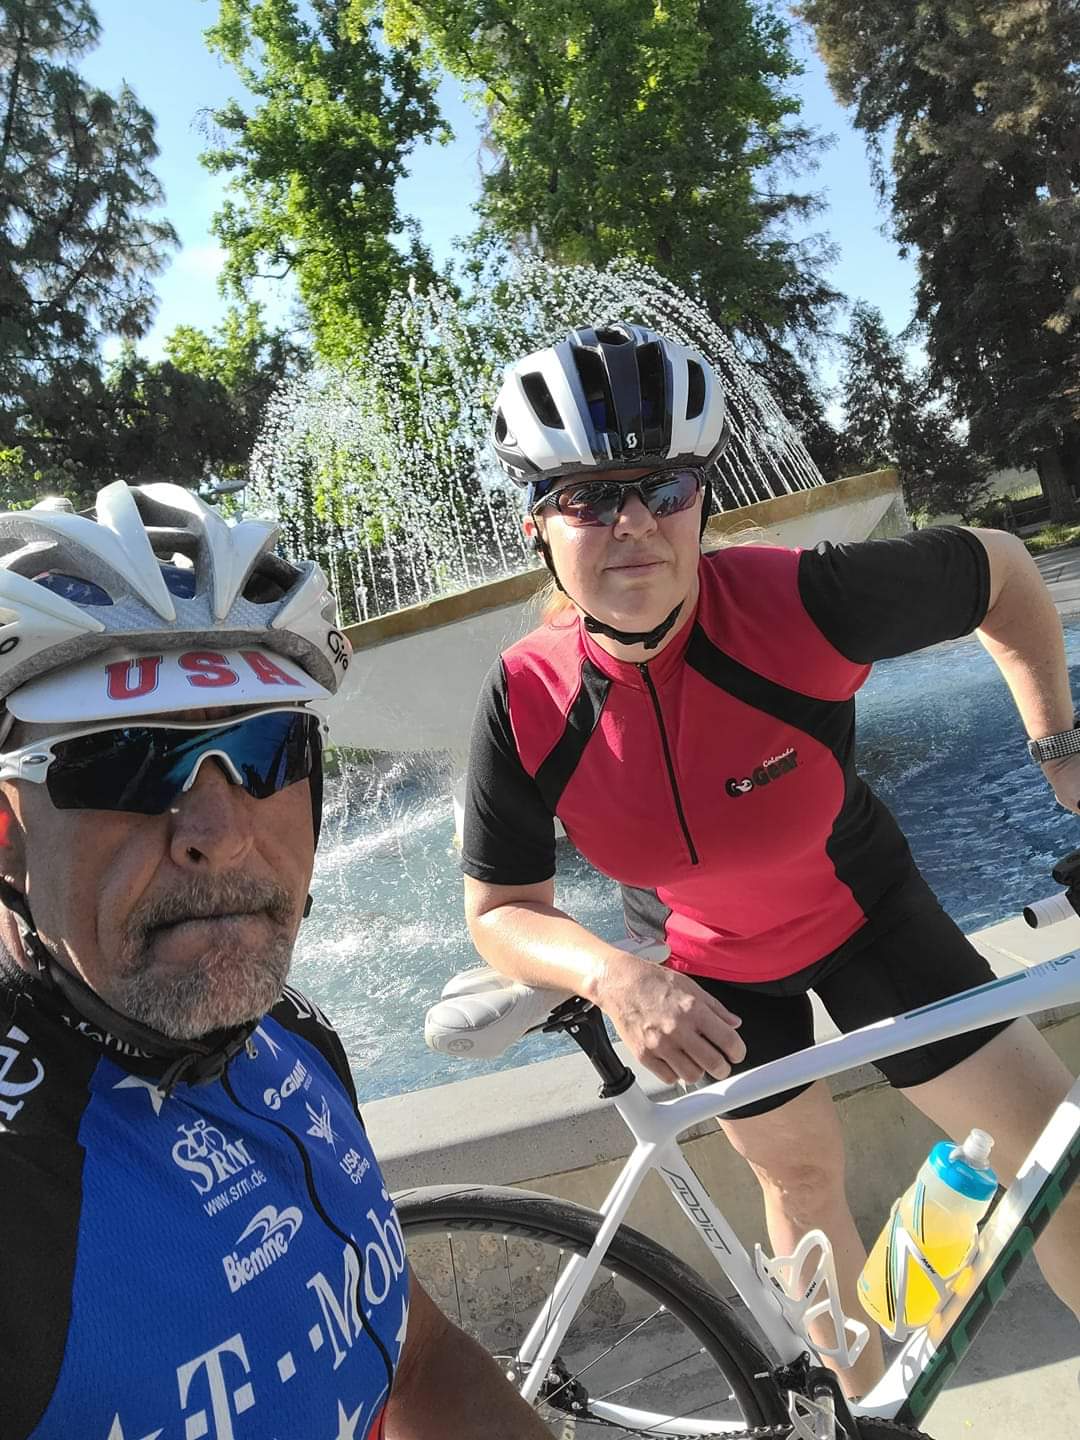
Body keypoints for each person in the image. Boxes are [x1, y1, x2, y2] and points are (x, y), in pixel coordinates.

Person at [460, 321, 1080, 1396]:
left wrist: (1062, 752)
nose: (636, 524)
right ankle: (874, 1415)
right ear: (538, 527)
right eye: (590, 497)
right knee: (799, 1180)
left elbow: (1006, 574)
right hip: (703, 972)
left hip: (866, 913)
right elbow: (500, 907)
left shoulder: (802, 599)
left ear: (706, 495)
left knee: (1051, 1161)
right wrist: (613, 975)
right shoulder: (523, 697)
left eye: (666, 486)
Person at [0, 483, 549, 1439]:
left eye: (264, 748)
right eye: (124, 760)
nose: (218, 834)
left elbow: (415, 1358)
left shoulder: (286, 1036)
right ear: (6, 836)